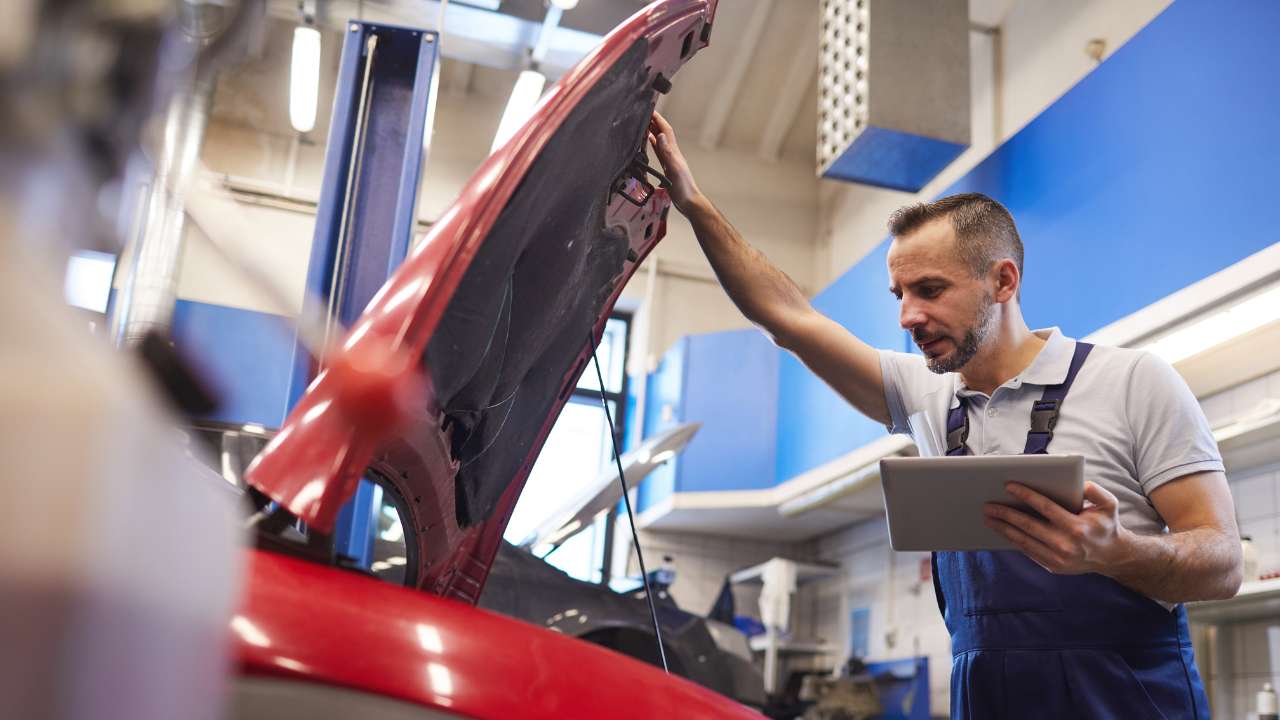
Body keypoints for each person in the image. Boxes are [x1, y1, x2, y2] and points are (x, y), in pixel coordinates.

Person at [646, 112, 1241, 718]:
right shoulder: (924, 398)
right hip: (984, 697)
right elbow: (789, 319)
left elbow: (1222, 564)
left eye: (929, 290)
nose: (906, 317)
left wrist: (1117, 552)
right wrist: (692, 203)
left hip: (1123, 701)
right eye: (898, 296)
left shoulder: (1134, 381)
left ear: (1003, 281)